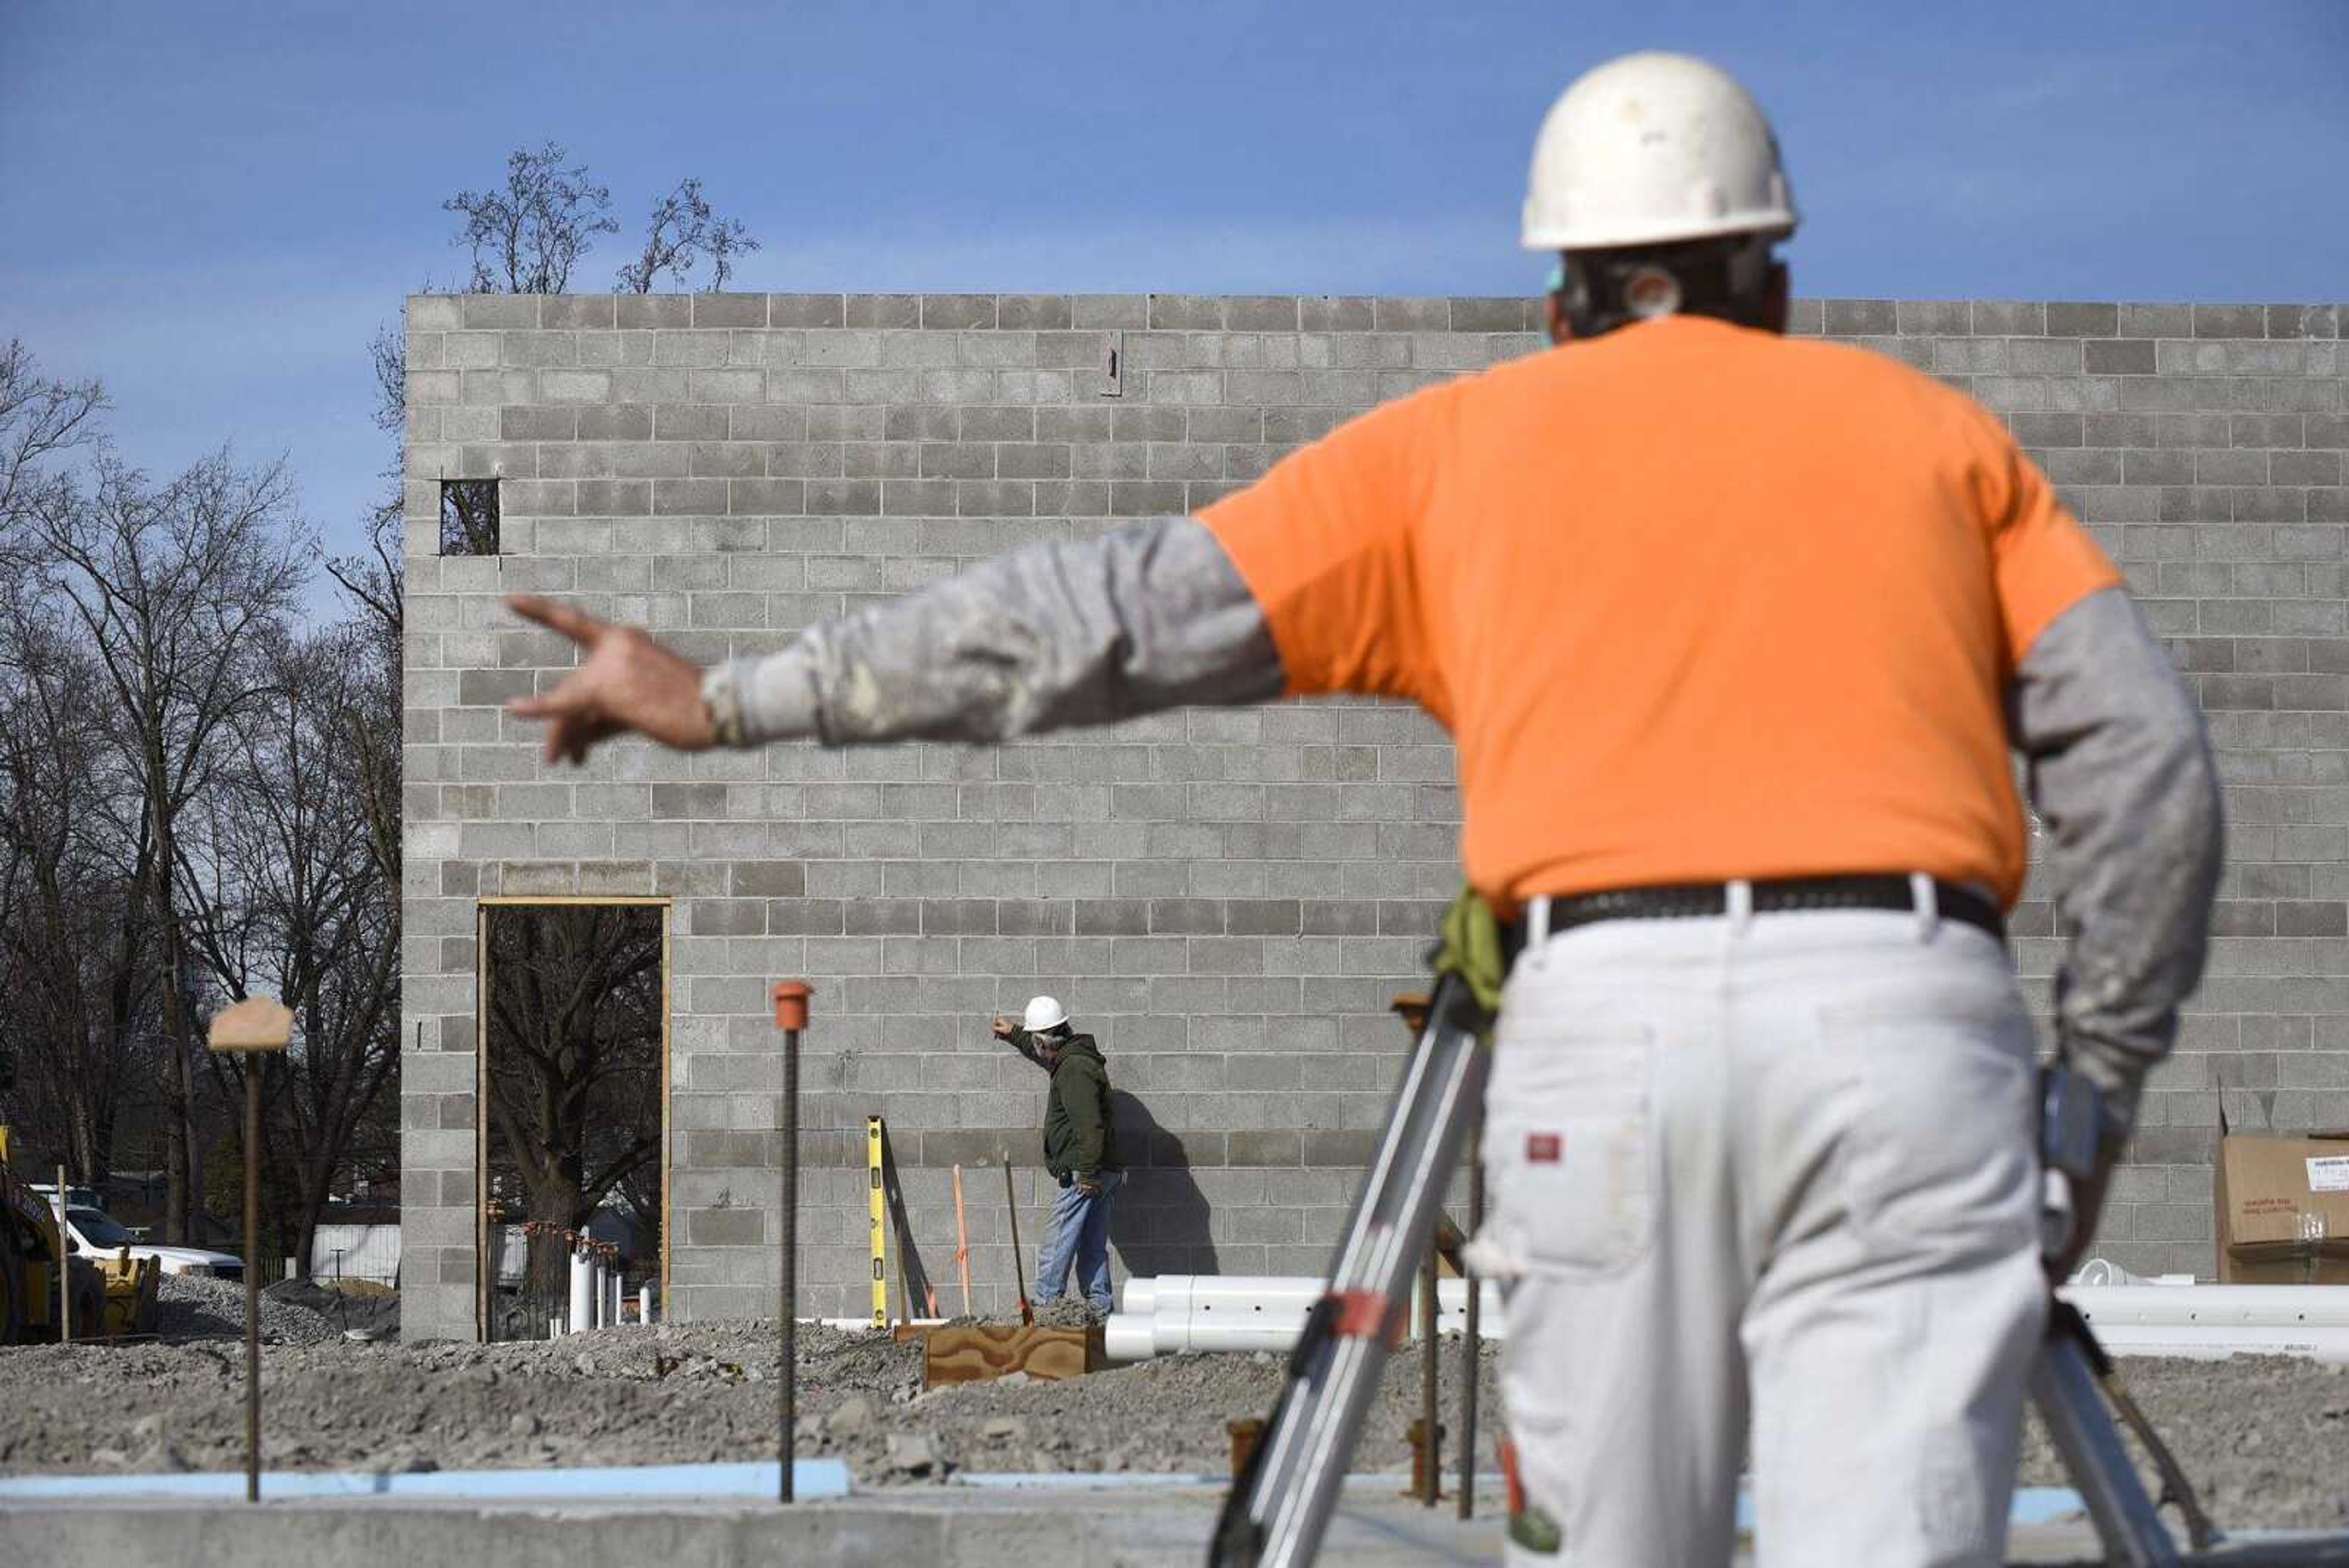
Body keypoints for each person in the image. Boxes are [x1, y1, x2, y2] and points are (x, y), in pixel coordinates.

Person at [503, 50, 2221, 1566]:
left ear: (1558, 292)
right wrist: (2092, 1102)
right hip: (1904, 1026)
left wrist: (732, 696)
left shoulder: (1458, 451)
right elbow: (2149, 774)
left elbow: (1092, 617)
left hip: (1601, 1031)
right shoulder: (1937, 442)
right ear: (1771, 273)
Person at [990, 995, 1124, 1315]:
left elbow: (1090, 1125)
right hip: (1103, 1167)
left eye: (1036, 1043)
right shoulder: (1074, 1057)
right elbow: (1044, 1055)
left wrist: (1088, 1174)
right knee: (1091, 1246)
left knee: (1057, 1241)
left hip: (1084, 1170)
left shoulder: (1074, 1070)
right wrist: (1014, 1034)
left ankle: (1047, 1309)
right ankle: (1101, 1313)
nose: (1038, 1053)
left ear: (1044, 1040)